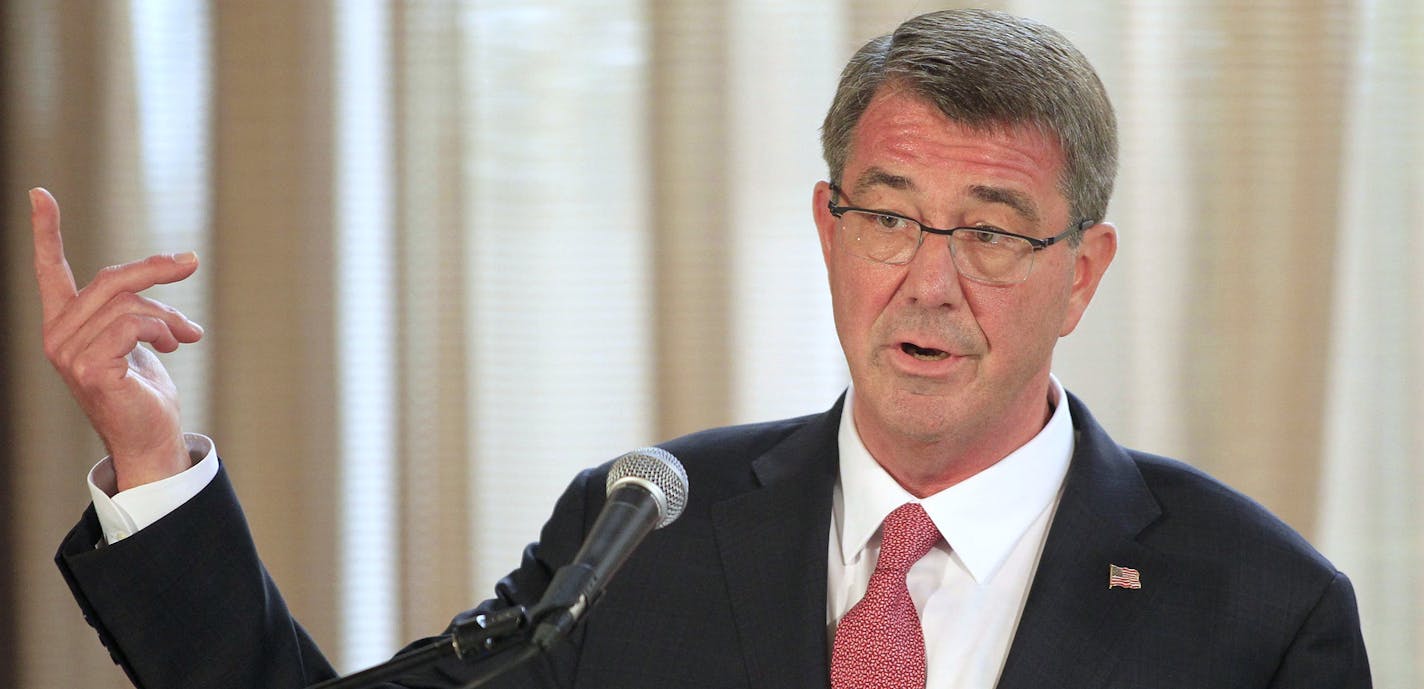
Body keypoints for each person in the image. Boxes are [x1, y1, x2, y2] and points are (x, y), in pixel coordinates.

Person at [35, 9, 1369, 689]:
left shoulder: (1257, 610)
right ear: (828, 227)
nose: (930, 279)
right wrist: (152, 462)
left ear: (1084, 272)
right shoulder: (641, 531)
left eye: (995, 230)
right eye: (890, 216)